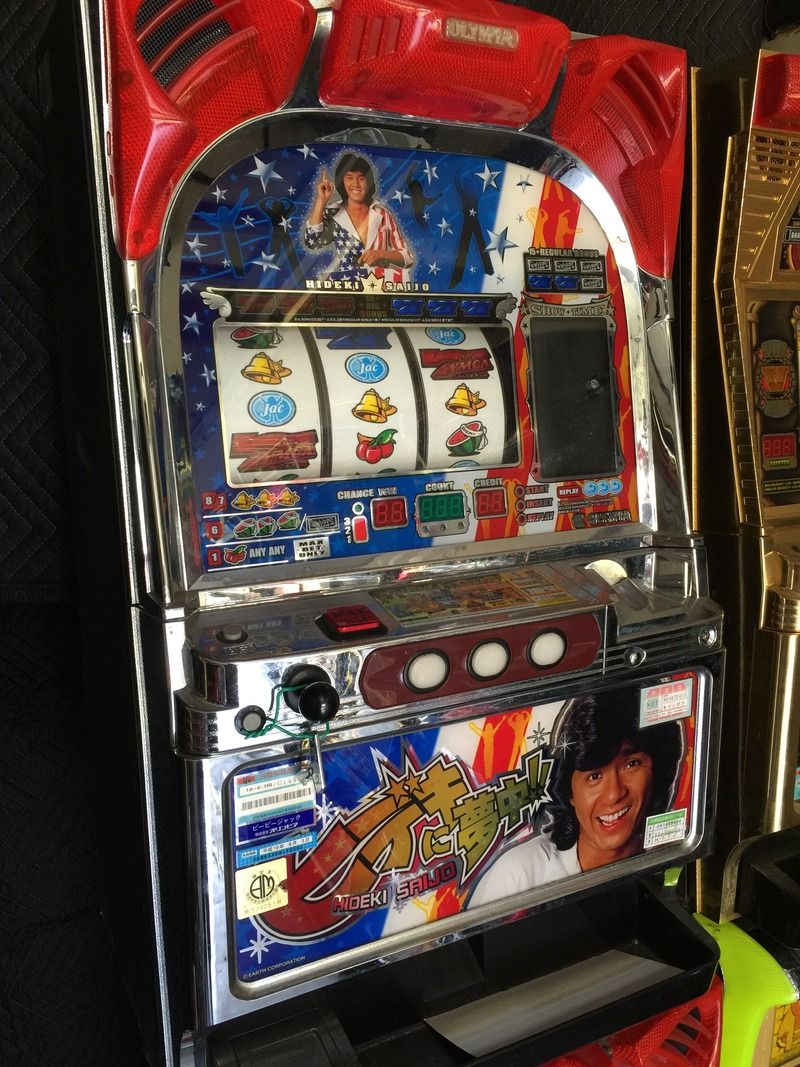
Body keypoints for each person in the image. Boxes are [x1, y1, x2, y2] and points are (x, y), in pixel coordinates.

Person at [468, 689, 684, 906]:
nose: (613, 794)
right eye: (594, 776)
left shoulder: (673, 855)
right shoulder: (518, 874)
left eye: (631, 764)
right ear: (570, 793)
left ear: (657, 771)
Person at [304, 153, 414, 282]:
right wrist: (321, 201)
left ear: (368, 182)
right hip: (347, 287)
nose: (355, 183)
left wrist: (382, 254)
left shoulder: (382, 213)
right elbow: (312, 241)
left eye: (361, 178)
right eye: (349, 177)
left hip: (380, 286)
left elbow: (408, 258)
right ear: (342, 181)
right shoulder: (333, 213)